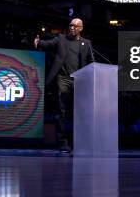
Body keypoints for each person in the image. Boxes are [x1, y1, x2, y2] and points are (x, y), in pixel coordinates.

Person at [34, 18, 95, 153]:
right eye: (70, 25)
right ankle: (63, 143)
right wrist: (39, 43)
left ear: (81, 28)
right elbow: (48, 44)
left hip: (80, 80)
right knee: (61, 111)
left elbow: (91, 62)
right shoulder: (61, 39)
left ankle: (79, 142)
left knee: (80, 112)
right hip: (63, 78)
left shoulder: (86, 43)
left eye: (75, 26)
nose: (72, 27)